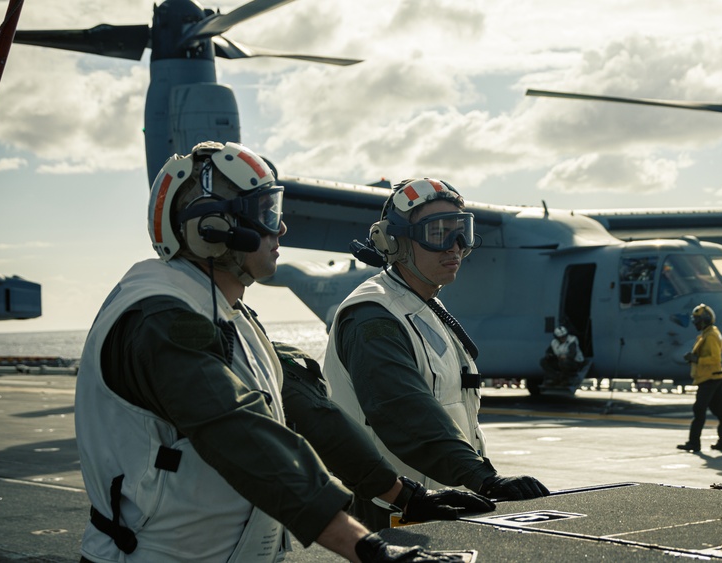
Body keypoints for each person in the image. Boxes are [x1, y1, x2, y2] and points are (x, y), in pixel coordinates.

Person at [75, 142, 467, 563]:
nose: (280, 230)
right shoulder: (161, 321)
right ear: (211, 228)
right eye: (266, 213)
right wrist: (366, 548)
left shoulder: (231, 316)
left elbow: (311, 412)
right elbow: (238, 430)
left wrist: (402, 495)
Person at [324, 178, 551, 529]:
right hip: (392, 514)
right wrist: (483, 478)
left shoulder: (422, 307)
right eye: (437, 233)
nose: (455, 246)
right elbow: (404, 410)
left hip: (442, 507)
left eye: (461, 231)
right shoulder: (373, 317)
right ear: (393, 242)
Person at [276, 341, 496, 528]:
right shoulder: (374, 313)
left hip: (409, 497)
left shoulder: (250, 335)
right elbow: (400, 405)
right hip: (386, 502)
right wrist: (479, 475)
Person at [677, 303, 722, 453]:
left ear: (704, 320)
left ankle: (694, 443)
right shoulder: (709, 333)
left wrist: (696, 359)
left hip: (710, 378)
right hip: (714, 376)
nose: (695, 323)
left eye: (697, 320)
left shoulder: (711, 336)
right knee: (721, 412)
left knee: (699, 409)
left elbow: (715, 358)